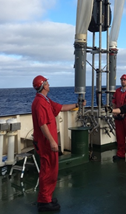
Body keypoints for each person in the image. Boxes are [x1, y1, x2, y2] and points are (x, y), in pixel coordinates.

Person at [31, 75, 86, 212]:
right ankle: (44, 201)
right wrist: (51, 141)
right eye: (47, 83)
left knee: (52, 170)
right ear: (43, 86)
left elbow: (61, 108)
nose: (49, 84)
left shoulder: (46, 101)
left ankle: (47, 197)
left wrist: (77, 105)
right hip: (46, 143)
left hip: (48, 142)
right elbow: (42, 124)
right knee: (47, 170)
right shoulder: (39, 103)